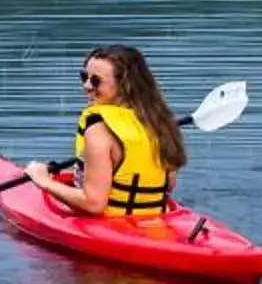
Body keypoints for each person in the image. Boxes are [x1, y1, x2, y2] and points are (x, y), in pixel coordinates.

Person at [23, 43, 186, 229]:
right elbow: (168, 185)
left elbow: (94, 204)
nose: (86, 86)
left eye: (95, 81)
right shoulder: (159, 122)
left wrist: (43, 181)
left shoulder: (99, 130)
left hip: (113, 226)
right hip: (156, 221)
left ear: (124, 85)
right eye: (84, 77)